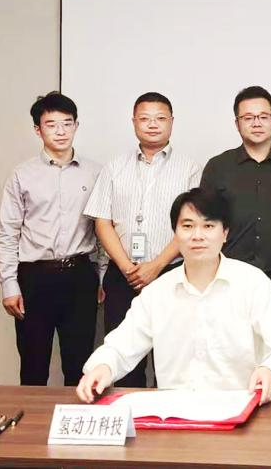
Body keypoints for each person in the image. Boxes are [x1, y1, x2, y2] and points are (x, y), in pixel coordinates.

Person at [76, 188, 271, 404]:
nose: (197, 236)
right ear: (176, 234)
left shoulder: (252, 283)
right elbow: (121, 346)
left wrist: (270, 370)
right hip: (175, 414)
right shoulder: (158, 292)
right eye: (187, 226)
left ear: (225, 233)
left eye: (208, 226)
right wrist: (102, 366)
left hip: (242, 409)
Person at [83, 92, 202, 387]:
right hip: (123, 276)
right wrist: (127, 267)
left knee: (172, 360)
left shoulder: (190, 169)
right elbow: (102, 221)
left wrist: (156, 266)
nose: (152, 124)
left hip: (172, 273)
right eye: (145, 118)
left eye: (160, 118)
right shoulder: (114, 167)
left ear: (171, 122)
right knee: (125, 362)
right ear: (134, 121)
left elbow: (193, 225)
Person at [0, 91, 102, 386]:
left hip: (80, 275)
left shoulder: (96, 173)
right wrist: (9, 283)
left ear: (76, 126)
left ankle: (75, 416)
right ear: (37, 130)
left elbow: (103, 229)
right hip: (34, 277)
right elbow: (7, 232)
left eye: (67, 123)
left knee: (79, 365)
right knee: (33, 366)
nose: (60, 131)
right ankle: (31, 419)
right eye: (51, 124)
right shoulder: (22, 174)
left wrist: (101, 277)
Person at [201, 86, 271, 280]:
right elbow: (204, 225)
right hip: (229, 272)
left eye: (263, 117)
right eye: (248, 118)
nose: (257, 123)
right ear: (237, 124)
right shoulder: (217, 166)